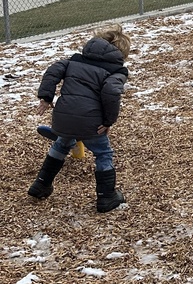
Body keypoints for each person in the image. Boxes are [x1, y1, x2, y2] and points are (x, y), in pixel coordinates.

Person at [29, 23, 130, 212]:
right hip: (90, 122)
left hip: (63, 117)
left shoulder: (74, 61)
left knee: (61, 143)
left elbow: (53, 71)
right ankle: (106, 197)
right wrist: (109, 121)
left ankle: (41, 184)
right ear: (121, 53)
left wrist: (46, 97)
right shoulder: (116, 71)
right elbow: (110, 91)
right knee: (103, 153)